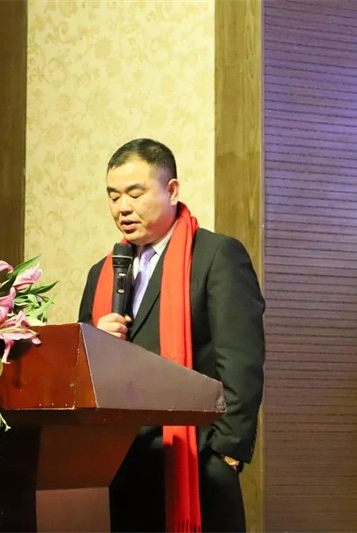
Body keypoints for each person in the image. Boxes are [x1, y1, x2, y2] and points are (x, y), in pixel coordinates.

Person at [78, 138, 265, 533]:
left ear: (172, 190)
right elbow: (84, 372)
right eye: (113, 196)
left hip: (195, 462)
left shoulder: (216, 256)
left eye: (135, 194)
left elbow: (241, 362)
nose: (122, 207)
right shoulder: (104, 272)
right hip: (119, 467)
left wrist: (225, 453)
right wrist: (96, 339)